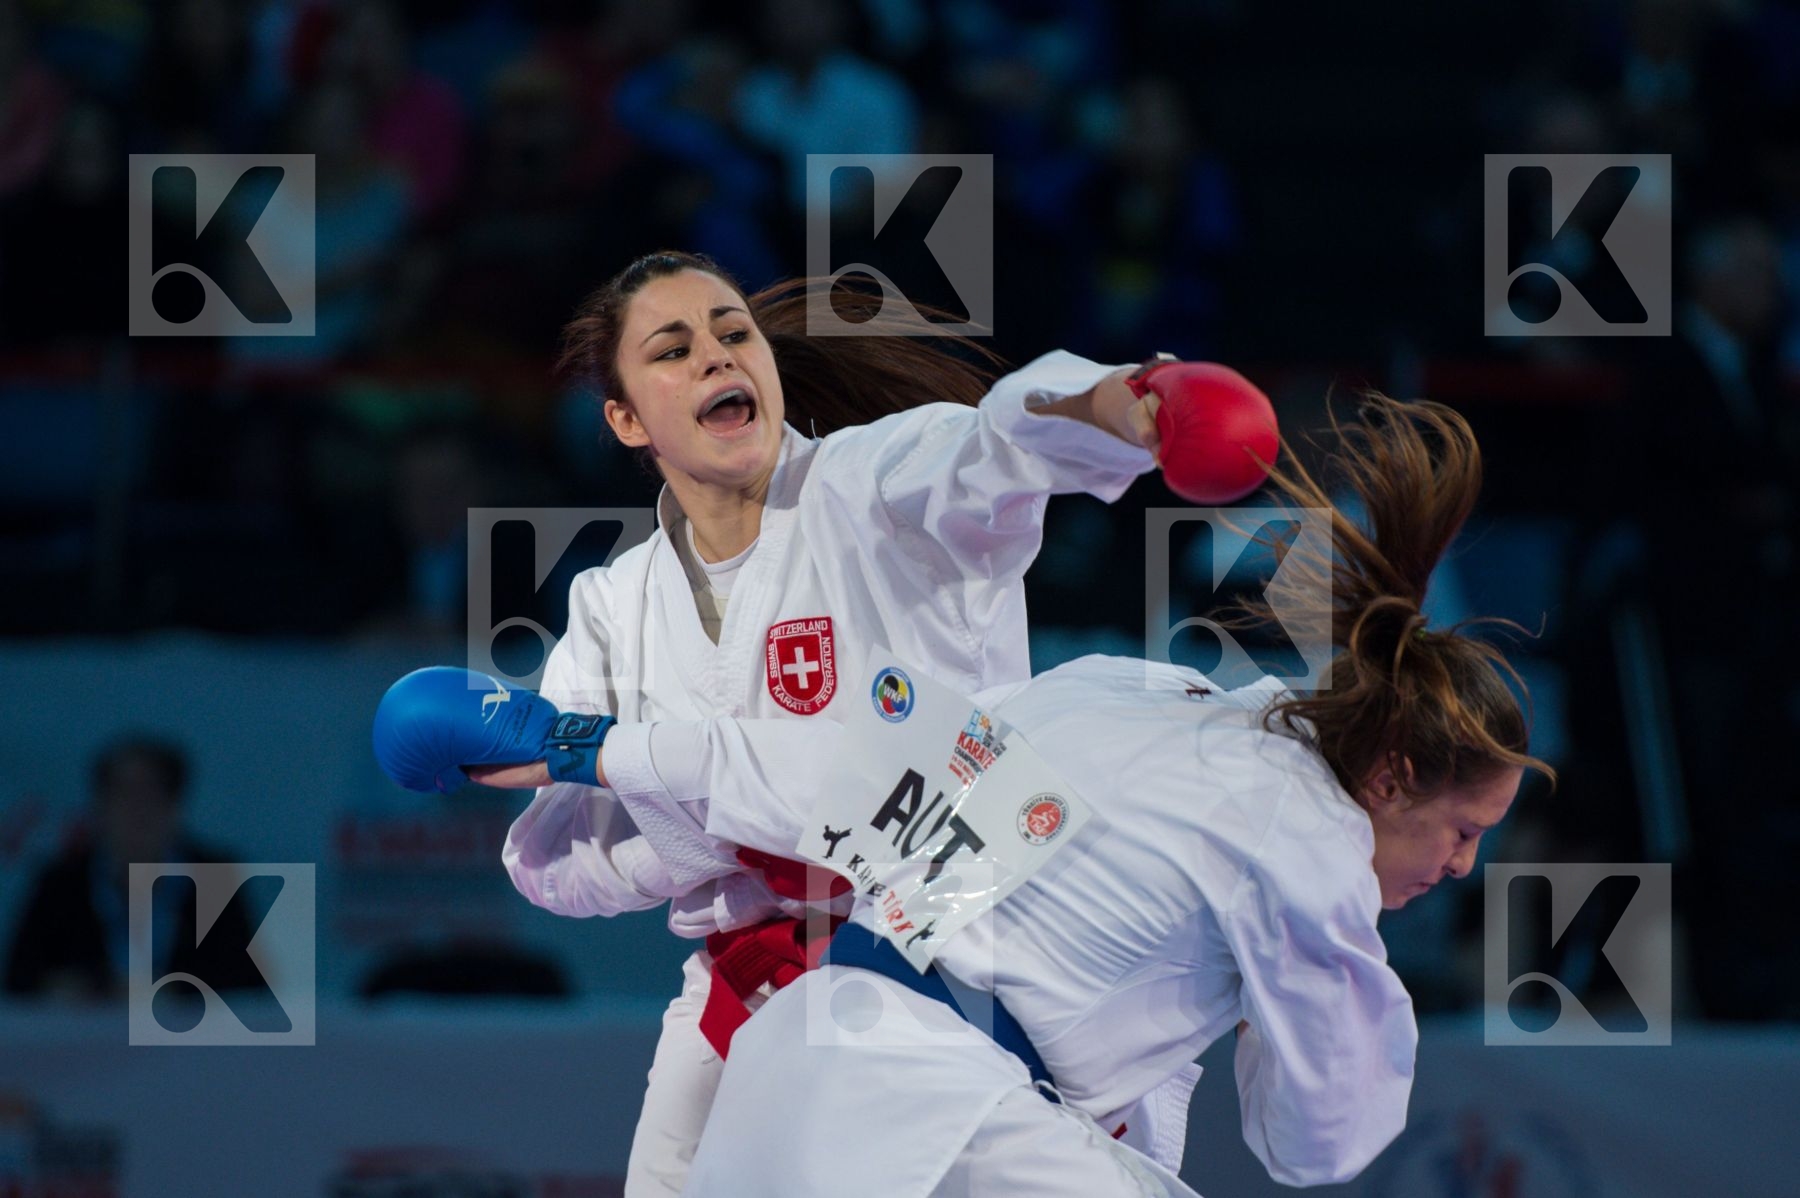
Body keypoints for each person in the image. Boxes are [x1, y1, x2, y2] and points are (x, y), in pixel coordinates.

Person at [382, 392, 1550, 1193]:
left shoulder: (1140, 693)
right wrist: (1289, 990)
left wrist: (591, 747)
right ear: (1390, 773)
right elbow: (1319, 1139)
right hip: (929, 1111)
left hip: (802, 1063)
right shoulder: (1314, 853)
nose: (1460, 866)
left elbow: (870, 791)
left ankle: (572, 735)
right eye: (1461, 830)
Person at [464, 249, 1217, 1195]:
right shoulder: (615, 605)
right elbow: (547, 860)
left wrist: (1119, 403)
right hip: (748, 984)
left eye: (733, 333)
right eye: (672, 349)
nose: (716, 356)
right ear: (624, 418)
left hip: (973, 958)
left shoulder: (878, 487)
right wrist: (725, 832)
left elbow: (996, 446)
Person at [4, 736, 264, 1002]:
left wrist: (172, 992)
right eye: (123, 792)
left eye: (152, 792)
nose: (137, 808)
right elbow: (19, 978)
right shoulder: (60, 881)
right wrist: (81, 989)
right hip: (84, 1040)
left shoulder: (214, 877)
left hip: (190, 1039)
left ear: (175, 804)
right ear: (100, 805)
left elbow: (248, 981)